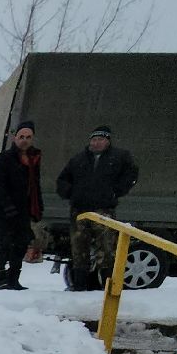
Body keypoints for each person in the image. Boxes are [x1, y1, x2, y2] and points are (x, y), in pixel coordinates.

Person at [55, 125, 140, 292]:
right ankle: (79, 286)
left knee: (107, 250)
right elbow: (62, 180)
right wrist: (71, 193)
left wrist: (116, 191)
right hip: (80, 210)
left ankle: (107, 288)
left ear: (108, 141)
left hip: (104, 210)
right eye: (93, 140)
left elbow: (131, 174)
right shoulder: (78, 159)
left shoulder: (119, 157)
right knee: (79, 249)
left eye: (100, 139)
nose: (96, 143)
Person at [0, 120, 43, 290]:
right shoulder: (5, 158)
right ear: (15, 138)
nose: (24, 140)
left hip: (24, 210)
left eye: (28, 137)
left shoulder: (33, 159)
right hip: (6, 211)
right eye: (21, 137)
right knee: (4, 245)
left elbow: (35, 185)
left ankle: (13, 279)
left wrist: (37, 207)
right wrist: (7, 206)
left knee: (20, 245)